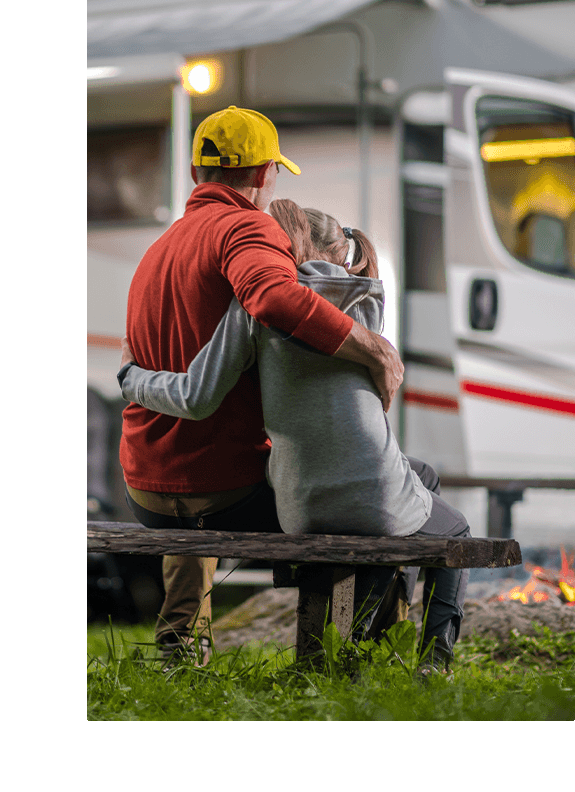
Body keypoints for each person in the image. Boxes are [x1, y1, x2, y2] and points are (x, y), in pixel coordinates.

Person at [120, 199, 468, 669]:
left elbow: (195, 395)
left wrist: (130, 375)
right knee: (448, 526)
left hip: (296, 499)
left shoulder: (247, 306)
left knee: (401, 490)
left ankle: (191, 645)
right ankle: (424, 658)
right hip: (357, 489)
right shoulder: (367, 300)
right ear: (344, 255)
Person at [120, 105, 403, 662]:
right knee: (350, 503)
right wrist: (373, 349)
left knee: (203, 459)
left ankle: (180, 655)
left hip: (146, 489)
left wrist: (134, 380)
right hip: (221, 491)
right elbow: (273, 297)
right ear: (264, 173)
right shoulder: (246, 226)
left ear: (198, 172)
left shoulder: (160, 249)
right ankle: (343, 658)